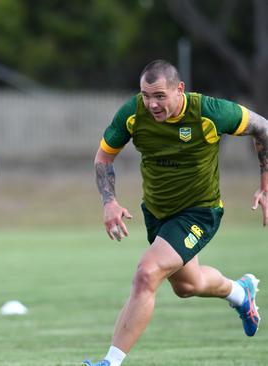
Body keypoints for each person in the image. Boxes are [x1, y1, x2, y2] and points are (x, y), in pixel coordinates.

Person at [82, 59, 267, 366]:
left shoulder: (209, 112)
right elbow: (103, 158)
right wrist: (109, 202)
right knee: (187, 285)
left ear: (179, 89)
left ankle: (109, 362)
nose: (151, 104)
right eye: (145, 95)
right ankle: (240, 292)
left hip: (199, 212)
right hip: (157, 212)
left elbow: (262, 127)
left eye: (159, 96)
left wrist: (265, 183)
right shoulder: (132, 114)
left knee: (146, 273)